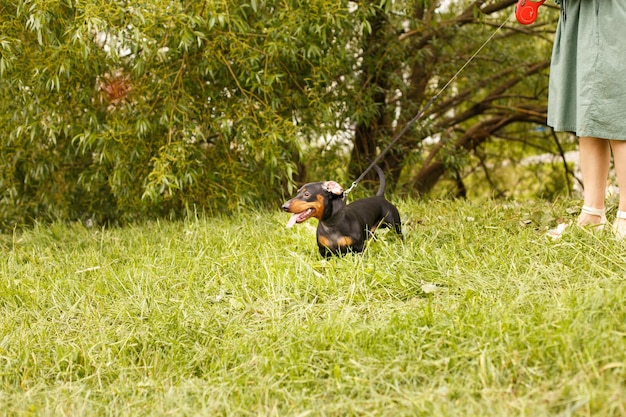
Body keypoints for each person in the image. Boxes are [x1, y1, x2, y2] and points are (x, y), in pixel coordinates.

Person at [547, 0, 626, 238]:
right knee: (589, 113)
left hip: (613, 15)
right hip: (583, 16)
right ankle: (592, 214)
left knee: (619, 113)